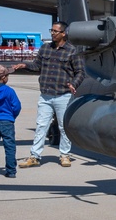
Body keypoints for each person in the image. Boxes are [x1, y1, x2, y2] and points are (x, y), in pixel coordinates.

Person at [11, 22, 84, 168]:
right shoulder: (45, 48)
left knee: (64, 127)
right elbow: (37, 66)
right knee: (41, 126)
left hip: (63, 95)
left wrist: (73, 84)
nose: (52, 33)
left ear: (64, 33)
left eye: (56, 31)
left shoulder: (72, 51)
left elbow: (80, 72)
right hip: (46, 95)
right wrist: (25, 65)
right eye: (51, 30)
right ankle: (35, 156)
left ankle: (64, 155)